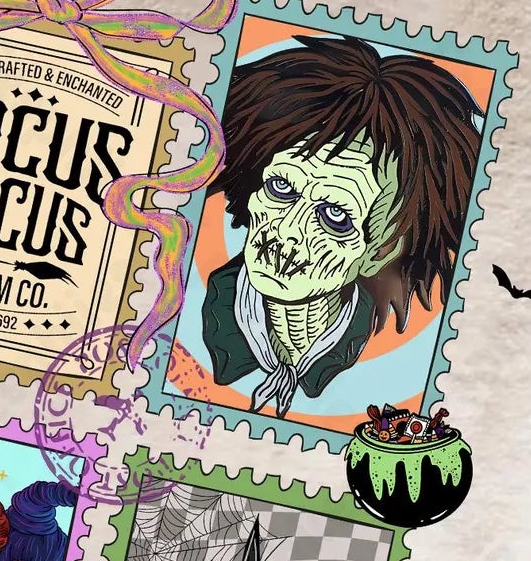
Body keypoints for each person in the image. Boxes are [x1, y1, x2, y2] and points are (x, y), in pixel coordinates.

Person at [201, 34, 483, 418]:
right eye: (281, 187)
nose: (288, 231)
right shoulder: (187, 310)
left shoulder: (388, 372)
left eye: (335, 215)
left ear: (383, 249)